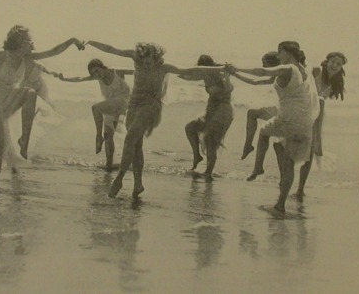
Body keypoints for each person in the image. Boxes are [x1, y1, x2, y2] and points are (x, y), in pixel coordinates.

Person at [85, 40, 227, 198]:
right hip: (134, 105)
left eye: (149, 62)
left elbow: (188, 69)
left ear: (156, 58)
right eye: (144, 61)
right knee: (136, 146)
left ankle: (119, 179)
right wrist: (91, 42)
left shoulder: (164, 67)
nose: (146, 65)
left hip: (150, 106)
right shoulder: (136, 59)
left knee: (130, 138)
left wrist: (220, 68)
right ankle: (138, 184)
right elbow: (112, 48)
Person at [0, 26, 84, 189]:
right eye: (28, 40)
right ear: (18, 42)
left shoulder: (28, 58)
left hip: (9, 96)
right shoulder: (2, 55)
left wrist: (73, 41)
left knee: (30, 93)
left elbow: (53, 51)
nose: (31, 43)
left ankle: (24, 140)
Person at [227, 41, 319, 213]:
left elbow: (261, 71)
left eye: (280, 52)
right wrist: (235, 74)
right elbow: (258, 80)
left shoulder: (288, 68)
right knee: (289, 162)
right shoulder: (303, 69)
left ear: (286, 52)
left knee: (263, 132)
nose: (278, 56)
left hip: (289, 118)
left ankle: (258, 167)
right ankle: (280, 206)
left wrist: (237, 68)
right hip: (305, 122)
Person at [57, 59, 133, 170]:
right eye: (94, 73)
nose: (97, 74)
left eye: (97, 71)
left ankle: (98, 136)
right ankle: (109, 165)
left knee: (96, 108)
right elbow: (80, 79)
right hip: (111, 106)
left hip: (123, 102)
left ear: (102, 67)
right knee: (108, 135)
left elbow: (135, 71)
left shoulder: (117, 72)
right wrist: (64, 79)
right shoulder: (98, 77)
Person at [293, 51, 347, 200]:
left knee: (309, 153)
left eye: (339, 64)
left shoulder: (335, 82)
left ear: (341, 67)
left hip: (315, 115)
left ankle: (300, 189)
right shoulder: (316, 71)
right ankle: (285, 183)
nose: (335, 65)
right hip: (301, 110)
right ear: (327, 61)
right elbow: (299, 76)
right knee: (292, 149)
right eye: (333, 61)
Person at [180, 54, 234, 179]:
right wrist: (171, 71)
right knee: (190, 128)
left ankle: (208, 172)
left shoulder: (219, 73)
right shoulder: (205, 74)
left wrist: (225, 76)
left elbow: (230, 88)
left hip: (223, 110)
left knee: (211, 141)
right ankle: (197, 156)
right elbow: (189, 77)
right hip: (210, 110)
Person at [230, 51, 280, 160]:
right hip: (280, 109)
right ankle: (248, 145)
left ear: (272, 65)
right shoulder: (275, 77)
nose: (263, 66)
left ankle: (248, 146)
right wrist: (235, 74)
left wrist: (236, 70)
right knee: (252, 113)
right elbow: (255, 81)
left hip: (285, 111)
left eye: (264, 63)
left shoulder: (280, 75)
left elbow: (258, 76)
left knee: (253, 114)